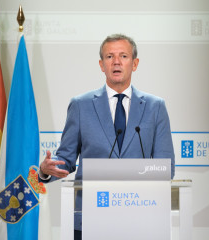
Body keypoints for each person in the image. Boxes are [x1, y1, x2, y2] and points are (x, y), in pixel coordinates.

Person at [39, 33, 175, 240]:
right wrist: (47, 170)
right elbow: (65, 159)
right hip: (90, 218)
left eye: (124, 56)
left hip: (141, 219)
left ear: (135, 63)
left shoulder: (155, 107)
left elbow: (166, 167)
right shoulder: (80, 105)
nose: (117, 62)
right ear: (102, 65)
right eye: (110, 57)